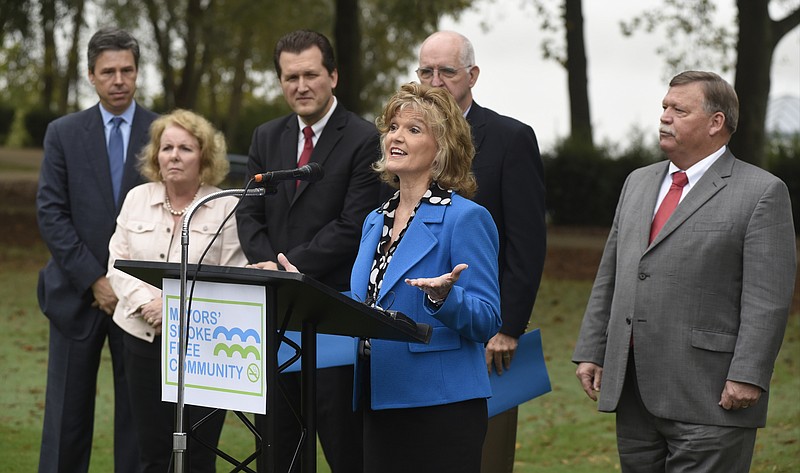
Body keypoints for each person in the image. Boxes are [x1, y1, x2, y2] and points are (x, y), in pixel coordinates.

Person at [572, 71, 796, 472]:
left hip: (710, 394)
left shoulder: (762, 191)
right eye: (664, 107)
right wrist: (593, 348)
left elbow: (768, 298)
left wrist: (748, 374)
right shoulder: (638, 183)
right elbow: (612, 273)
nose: (665, 117)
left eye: (679, 110)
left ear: (716, 123)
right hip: (634, 392)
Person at [282, 82, 501, 473]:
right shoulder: (375, 219)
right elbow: (367, 299)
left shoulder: (465, 218)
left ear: (443, 147)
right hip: (377, 395)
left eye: (414, 129)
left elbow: (487, 318)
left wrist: (443, 299)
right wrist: (305, 288)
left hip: (440, 404)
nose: (396, 137)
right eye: (393, 127)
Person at [235, 29, 380, 472]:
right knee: (278, 450)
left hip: (332, 317)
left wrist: (287, 266)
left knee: (343, 448)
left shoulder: (362, 138)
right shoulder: (265, 137)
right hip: (274, 318)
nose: (301, 86)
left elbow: (353, 225)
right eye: (290, 76)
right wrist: (269, 267)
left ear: (333, 76)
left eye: (311, 74)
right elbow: (248, 213)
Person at [416, 30, 547, 472]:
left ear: (471, 75)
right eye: (425, 71)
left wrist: (508, 327)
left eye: (447, 71)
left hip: (483, 330)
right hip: (417, 326)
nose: (435, 82)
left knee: (480, 458)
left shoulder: (511, 138)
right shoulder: (406, 141)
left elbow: (526, 243)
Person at [36, 27, 158, 473]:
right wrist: (94, 279)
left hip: (142, 300)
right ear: (91, 75)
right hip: (75, 296)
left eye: (127, 70)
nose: (119, 80)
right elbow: (51, 212)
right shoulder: (63, 133)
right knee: (66, 421)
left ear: (137, 72)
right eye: (108, 71)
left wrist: (124, 287)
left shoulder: (162, 132)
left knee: (138, 421)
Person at [106, 109, 247, 472]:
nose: (174, 155)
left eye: (185, 148)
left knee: (198, 454)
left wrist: (173, 307)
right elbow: (117, 262)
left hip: (202, 347)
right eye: (166, 147)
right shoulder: (137, 198)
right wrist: (144, 303)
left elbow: (234, 275)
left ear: (204, 156)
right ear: (156, 155)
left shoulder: (225, 206)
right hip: (142, 339)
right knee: (151, 452)